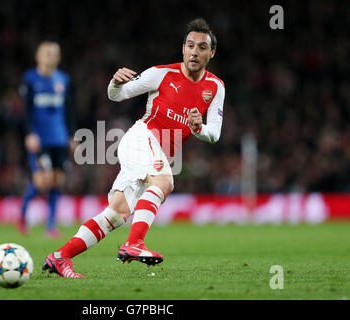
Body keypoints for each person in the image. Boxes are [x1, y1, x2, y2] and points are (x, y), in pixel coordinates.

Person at [42, 18, 225, 278]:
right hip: (140, 138)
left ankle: (59, 257)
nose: (195, 52)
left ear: (211, 53)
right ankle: (134, 244)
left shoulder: (215, 87)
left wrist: (198, 128)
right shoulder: (161, 74)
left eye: (202, 47)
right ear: (182, 48)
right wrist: (115, 83)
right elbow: (116, 95)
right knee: (164, 182)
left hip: (155, 153)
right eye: (190, 45)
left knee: (117, 214)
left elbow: (214, 134)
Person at [18, 41, 76, 238]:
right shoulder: (30, 79)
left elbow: (69, 110)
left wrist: (72, 136)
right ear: (38, 56)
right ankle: (22, 214)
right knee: (43, 182)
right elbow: (25, 111)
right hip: (39, 138)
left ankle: (50, 225)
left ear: (59, 58)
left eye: (54, 53)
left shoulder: (64, 80)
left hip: (59, 137)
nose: (50, 56)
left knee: (58, 181)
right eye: (46, 53)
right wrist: (29, 133)